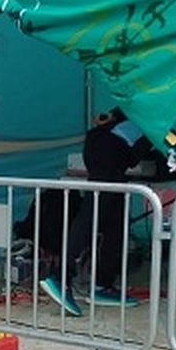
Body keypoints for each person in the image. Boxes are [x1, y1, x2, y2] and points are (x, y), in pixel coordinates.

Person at [41, 106, 149, 316]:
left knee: (114, 225)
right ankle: (62, 276)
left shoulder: (118, 122)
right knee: (91, 218)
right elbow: (133, 157)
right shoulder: (144, 125)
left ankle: (102, 283)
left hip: (106, 163)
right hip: (108, 165)